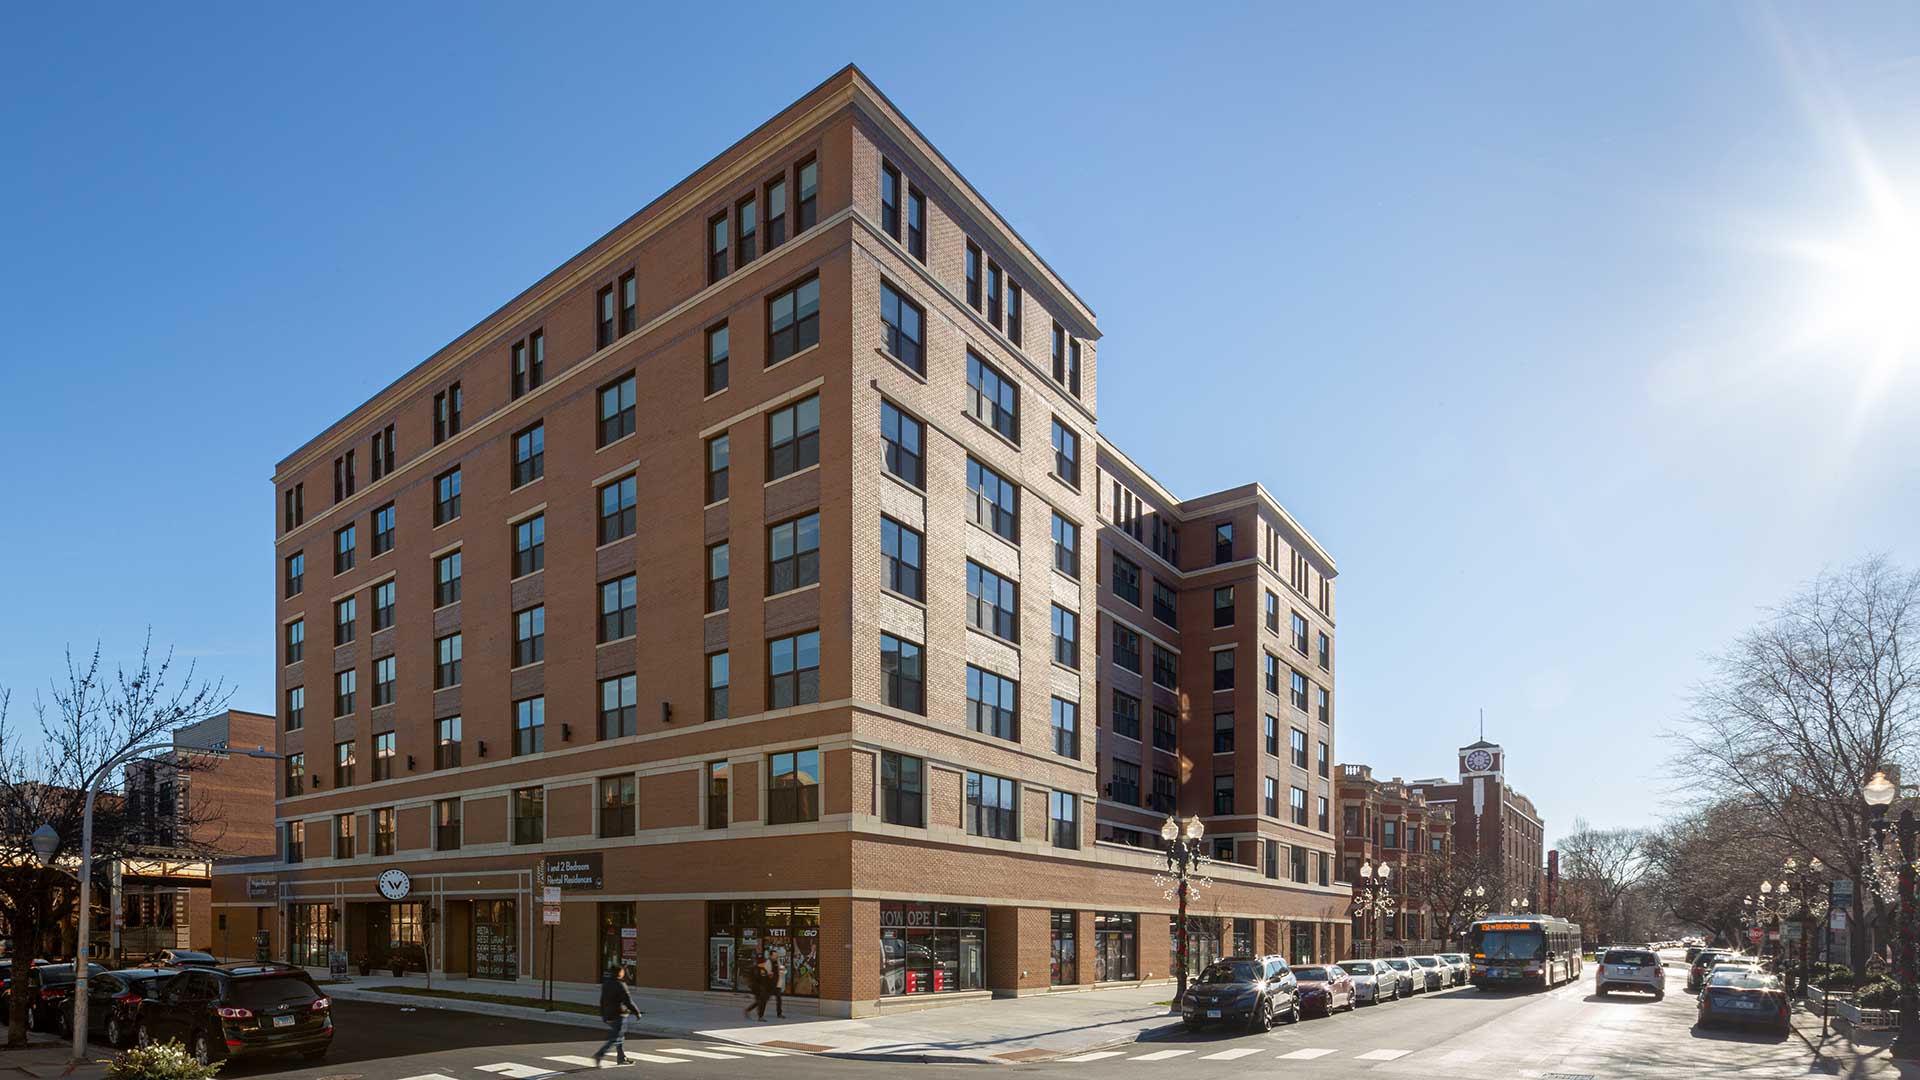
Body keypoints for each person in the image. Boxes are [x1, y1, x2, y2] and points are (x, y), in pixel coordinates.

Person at [593, 967, 643, 1064]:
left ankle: (621, 1057)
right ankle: (599, 1055)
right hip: (619, 1014)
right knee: (616, 1038)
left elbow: (602, 1000)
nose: (623, 973)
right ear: (619, 973)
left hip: (608, 1014)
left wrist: (603, 1014)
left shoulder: (606, 984)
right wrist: (637, 1012)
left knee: (619, 1036)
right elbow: (628, 1001)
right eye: (622, 971)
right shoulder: (620, 985)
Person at [744, 953, 772, 1021]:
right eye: (762, 962)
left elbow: (766, 979)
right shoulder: (754, 969)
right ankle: (760, 1016)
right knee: (761, 1001)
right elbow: (752, 980)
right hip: (757, 989)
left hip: (763, 989)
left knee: (760, 1001)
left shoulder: (763, 969)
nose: (764, 963)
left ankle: (749, 1010)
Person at [767, 953, 785, 1019]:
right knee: (765, 999)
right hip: (770, 985)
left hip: (777, 985)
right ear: (771, 956)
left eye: (776, 955)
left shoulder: (778, 962)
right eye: (774, 955)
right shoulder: (768, 962)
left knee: (779, 1000)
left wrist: (782, 970)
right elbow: (767, 972)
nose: (776, 956)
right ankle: (758, 1011)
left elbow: (781, 971)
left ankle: (779, 1014)